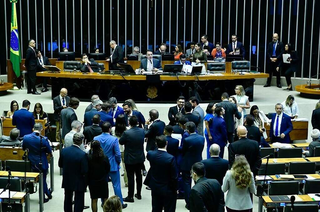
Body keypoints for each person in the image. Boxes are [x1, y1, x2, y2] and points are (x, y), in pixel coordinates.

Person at [94, 122, 127, 208]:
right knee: (116, 185)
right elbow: (117, 153)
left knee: (103, 185)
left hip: (100, 165)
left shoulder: (96, 138)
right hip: (112, 164)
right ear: (109, 129)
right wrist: (118, 162)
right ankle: (120, 203)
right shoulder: (114, 139)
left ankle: (103, 202)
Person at [144, 135, 178, 212]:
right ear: (166, 143)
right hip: (168, 188)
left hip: (155, 186)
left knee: (156, 208)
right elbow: (174, 176)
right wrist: (175, 188)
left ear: (156, 144)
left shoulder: (151, 154)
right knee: (169, 209)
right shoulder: (170, 158)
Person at [23, 123, 53, 202]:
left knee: (40, 180)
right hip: (41, 161)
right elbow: (49, 151)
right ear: (42, 129)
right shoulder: (44, 139)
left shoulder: (26, 138)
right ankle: (43, 197)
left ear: (33, 129)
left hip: (30, 162)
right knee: (42, 180)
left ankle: (48, 193)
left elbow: (23, 148)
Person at [59, 133, 88, 212]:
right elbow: (84, 170)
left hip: (67, 178)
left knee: (68, 197)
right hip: (79, 179)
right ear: (81, 142)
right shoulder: (83, 154)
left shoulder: (64, 151)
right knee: (79, 199)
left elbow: (60, 164)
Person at [119, 116, 145, 203]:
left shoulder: (127, 133)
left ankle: (130, 196)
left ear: (129, 123)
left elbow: (121, 142)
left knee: (131, 177)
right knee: (139, 176)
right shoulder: (142, 131)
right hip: (139, 157)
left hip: (130, 158)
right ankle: (139, 193)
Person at [180, 122, 204, 209]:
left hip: (187, 163)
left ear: (188, 130)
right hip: (198, 161)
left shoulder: (187, 140)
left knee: (186, 183)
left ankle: (189, 202)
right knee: (199, 181)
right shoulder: (202, 138)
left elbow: (183, 151)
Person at [88, 141, 111, 212]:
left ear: (92, 148)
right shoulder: (104, 157)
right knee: (105, 198)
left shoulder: (89, 158)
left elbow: (87, 170)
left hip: (92, 181)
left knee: (94, 200)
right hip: (103, 180)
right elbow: (108, 168)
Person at [111, 114, 129, 187]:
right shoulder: (127, 129)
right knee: (125, 167)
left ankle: (116, 181)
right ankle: (126, 182)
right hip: (125, 149)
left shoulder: (113, 129)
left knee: (116, 166)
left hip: (116, 150)